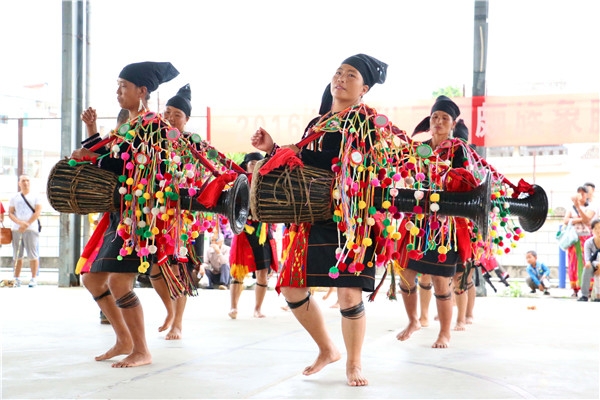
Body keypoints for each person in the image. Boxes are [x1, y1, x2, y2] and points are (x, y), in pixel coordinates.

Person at [250, 53, 388, 386]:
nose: (341, 78)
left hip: (351, 218)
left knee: (349, 294)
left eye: (351, 75)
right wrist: (273, 149)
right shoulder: (317, 124)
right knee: (292, 288)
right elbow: (302, 166)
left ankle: (354, 364)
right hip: (312, 215)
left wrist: (295, 152)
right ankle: (327, 349)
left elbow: (344, 162)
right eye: (338, 72)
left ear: (364, 89)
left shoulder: (366, 122)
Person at [70, 61, 179, 367]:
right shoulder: (127, 127)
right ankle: (123, 340)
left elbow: (138, 166)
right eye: (117, 86)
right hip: (120, 213)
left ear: (142, 91)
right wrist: (91, 132)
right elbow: (110, 156)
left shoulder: (154, 125)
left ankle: (142, 350)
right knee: (92, 279)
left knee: (119, 281)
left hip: (140, 215)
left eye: (124, 86)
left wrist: (93, 158)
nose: (118, 92)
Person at [395, 96, 474, 349]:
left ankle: (445, 333)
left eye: (444, 118)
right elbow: (403, 171)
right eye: (435, 117)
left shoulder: (459, 151)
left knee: (441, 281)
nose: (438, 122)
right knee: (405, 274)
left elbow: (467, 183)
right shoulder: (419, 149)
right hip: (417, 221)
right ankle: (413, 321)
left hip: (445, 225)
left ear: (453, 124)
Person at [228, 152, 278, 319]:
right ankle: (233, 307)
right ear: (246, 165)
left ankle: (258, 309)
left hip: (263, 230)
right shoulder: (239, 182)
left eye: (258, 163)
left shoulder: (269, 182)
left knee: (262, 272)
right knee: (238, 272)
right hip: (243, 230)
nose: (255, 166)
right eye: (252, 163)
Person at [8, 175, 42, 288]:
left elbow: (37, 212)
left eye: (27, 180)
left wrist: (27, 223)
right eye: (23, 181)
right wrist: (19, 223)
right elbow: (10, 212)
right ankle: (16, 278)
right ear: (19, 183)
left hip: (32, 229)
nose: (25, 183)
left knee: (33, 254)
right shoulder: (14, 197)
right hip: (17, 229)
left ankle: (34, 278)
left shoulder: (36, 196)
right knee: (17, 254)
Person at [563, 185, 594, 297]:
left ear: (586, 195)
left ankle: (588, 288)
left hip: (586, 238)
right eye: (579, 192)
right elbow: (565, 220)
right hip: (574, 239)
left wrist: (575, 216)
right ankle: (574, 288)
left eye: (583, 193)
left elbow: (587, 220)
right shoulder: (571, 208)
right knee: (573, 263)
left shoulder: (590, 207)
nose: (581, 195)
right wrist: (579, 219)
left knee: (587, 262)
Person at [580, 219, 600, 302]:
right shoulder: (588, 243)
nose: (598, 231)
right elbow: (588, 259)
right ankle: (584, 295)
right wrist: (597, 265)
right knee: (587, 268)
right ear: (592, 230)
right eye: (596, 228)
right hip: (594, 264)